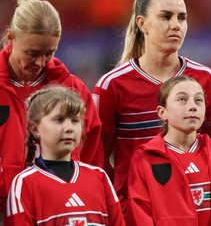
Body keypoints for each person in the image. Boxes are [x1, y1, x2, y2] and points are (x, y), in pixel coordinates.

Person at [92, 0, 211, 210]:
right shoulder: (112, 85)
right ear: (142, 24)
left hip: (195, 209)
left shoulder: (205, 80)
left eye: (182, 18)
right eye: (165, 17)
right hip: (136, 212)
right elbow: (97, 160)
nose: (176, 25)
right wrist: (124, 199)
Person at [0, 0, 103, 220]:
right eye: (31, 53)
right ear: (10, 38)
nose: (40, 62)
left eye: (50, 53)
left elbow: (92, 158)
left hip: (60, 212)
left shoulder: (72, 90)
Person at [126, 76, 211, 225]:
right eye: (182, 100)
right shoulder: (145, 159)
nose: (193, 106)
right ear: (162, 112)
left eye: (198, 100)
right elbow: (140, 216)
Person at [5, 86, 125, 225]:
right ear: (35, 129)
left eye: (75, 121)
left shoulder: (99, 177)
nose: (69, 128)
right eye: (59, 120)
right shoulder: (24, 184)